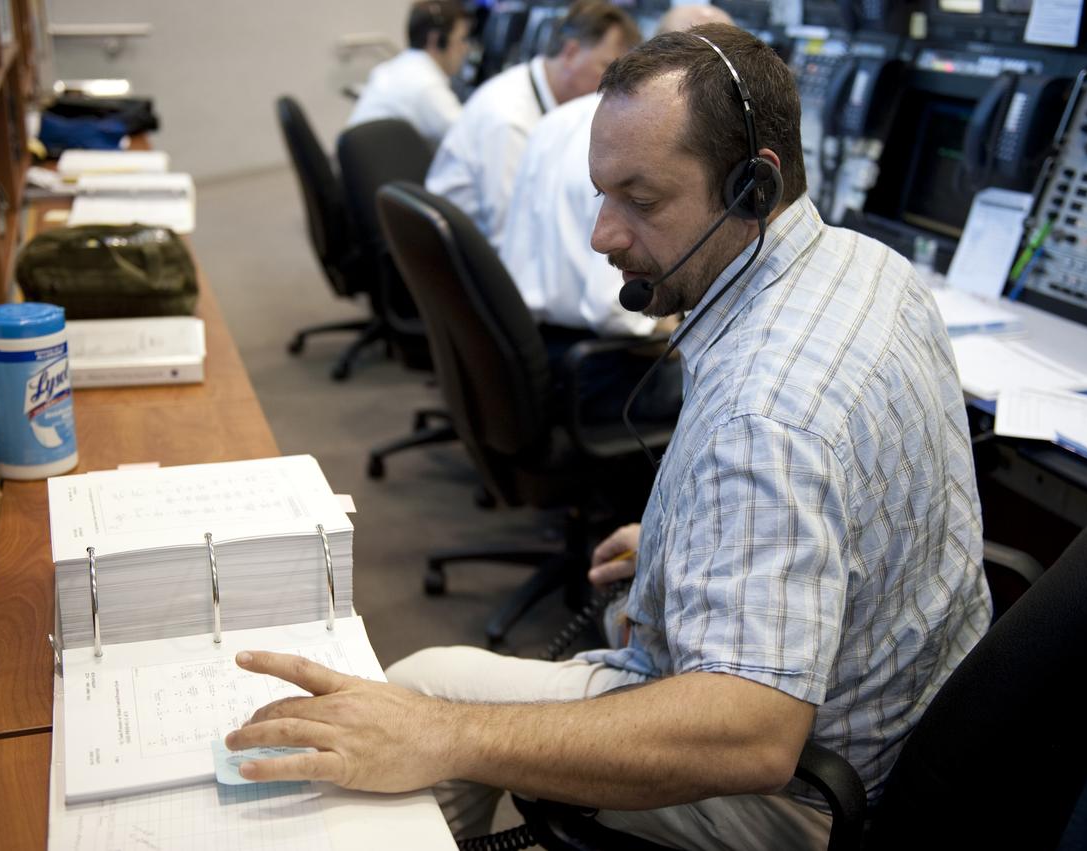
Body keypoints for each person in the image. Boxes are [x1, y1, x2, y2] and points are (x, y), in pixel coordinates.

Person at [223, 23, 991, 850]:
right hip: (924, 728)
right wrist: (684, 537)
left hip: (812, 790)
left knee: (418, 694)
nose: (603, 234)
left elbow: (751, 734)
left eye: (642, 199)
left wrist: (444, 734)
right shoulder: (869, 267)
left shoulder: (764, 415)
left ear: (753, 189)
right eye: (602, 193)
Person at [499, 4, 735, 423]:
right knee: (735, 391)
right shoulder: (641, 151)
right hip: (594, 373)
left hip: (524, 356)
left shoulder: (562, 117)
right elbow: (620, 316)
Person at [425, 0, 640, 250]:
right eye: (606, 67)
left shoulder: (534, 96)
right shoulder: (510, 121)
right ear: (570, 53)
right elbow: (510, 236)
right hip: (463, 262)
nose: (612, 86)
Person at [345, 1, 471, 147]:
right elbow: (469, 138)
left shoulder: (397, 67)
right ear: (436, 40)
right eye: (461, 40)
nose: (465, 49)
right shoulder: (425, 84)